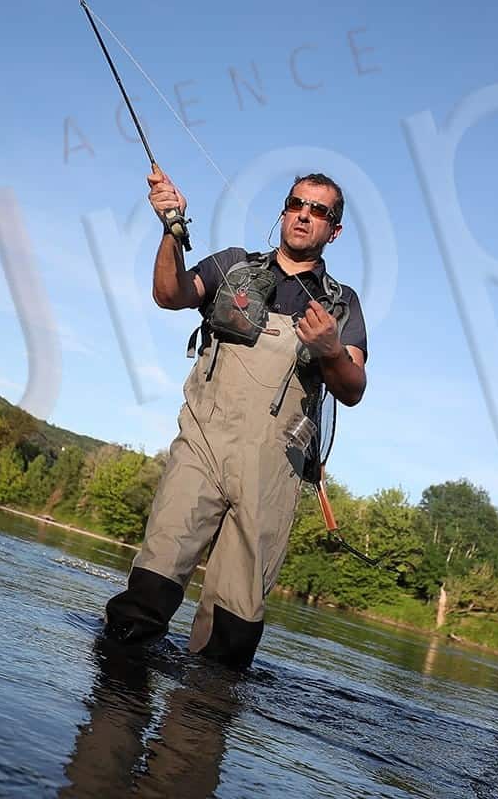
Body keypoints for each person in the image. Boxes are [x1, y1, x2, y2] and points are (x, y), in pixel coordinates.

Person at [101, 168, 369, 669]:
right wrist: (170, 228)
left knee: (230, 637)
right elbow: (169, 293)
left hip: (274, 473)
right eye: (296, 204)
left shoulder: (341, 304)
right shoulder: (233, 266)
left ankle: (196, 731)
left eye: (319, 211)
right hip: (202, 448)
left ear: (334, 231)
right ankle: (112, 717)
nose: (304, 216)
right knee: (146, 594)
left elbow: (352, 388)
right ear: (284, 211)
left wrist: (331, 350)